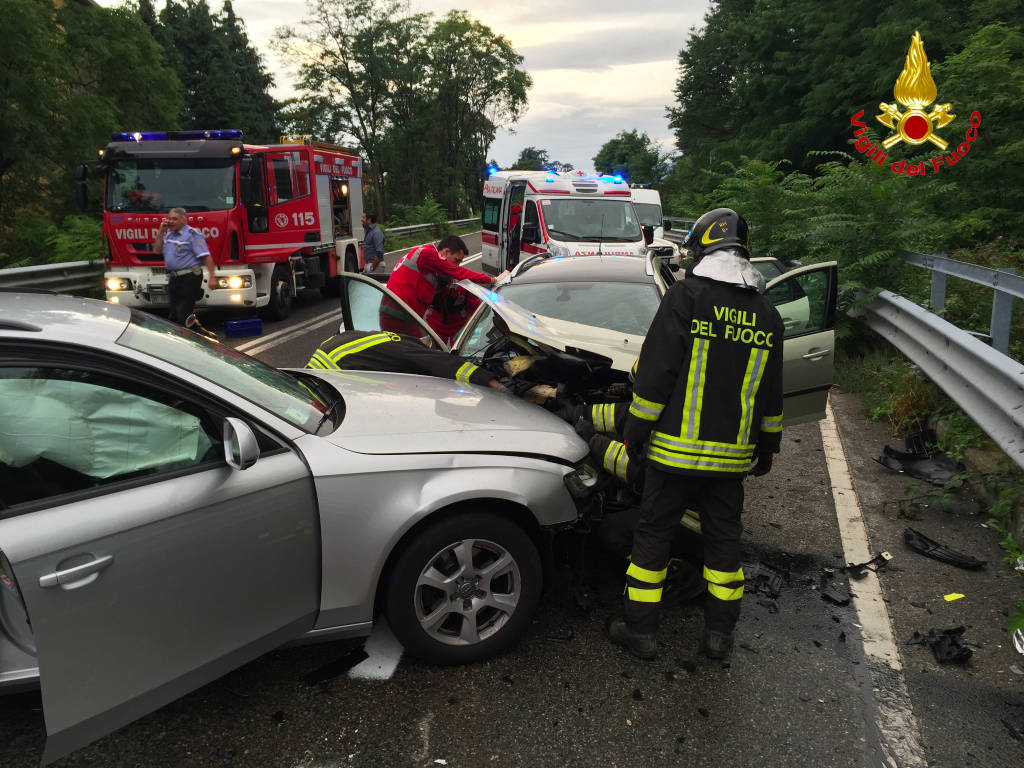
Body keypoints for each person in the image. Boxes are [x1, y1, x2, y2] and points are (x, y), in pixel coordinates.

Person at [605, 207, 784, 662]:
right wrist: (767, 448)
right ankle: (719, 637)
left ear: (703, 248)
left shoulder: (686, 298)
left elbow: (655, 376)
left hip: (673, 456)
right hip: (729, 464)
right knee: (724, 543)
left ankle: (640, 631)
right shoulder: (767, 314)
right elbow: (770, 394)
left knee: (653, 538)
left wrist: (634, 431)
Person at [381, 235, 496, 337]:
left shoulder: (425, 261)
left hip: (397, 311)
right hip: (399, 313)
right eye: (456, 261)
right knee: (411, 351)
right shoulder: (427, 254)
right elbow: (458, 272)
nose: (457, 265)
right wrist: (492, 279)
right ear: (446, 252)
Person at [308, 330, 502, 388]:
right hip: (329, 379)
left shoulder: (384, 339)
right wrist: (488, 380)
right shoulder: (404, 349)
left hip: (314, 370)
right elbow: (438, 362)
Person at [154, 207, 217, 338]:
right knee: (173, 314)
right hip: (174, 278)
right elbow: (157, 250)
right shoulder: (169, 235)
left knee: (183, 314)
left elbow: (206, 256)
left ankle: (203, 336)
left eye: (175, 219)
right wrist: (161, 231)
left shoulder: (192, 234)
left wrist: (212, 276)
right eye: (170, 218)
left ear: (184, 220)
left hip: (190, 277)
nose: (171, 221)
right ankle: (185, 337)